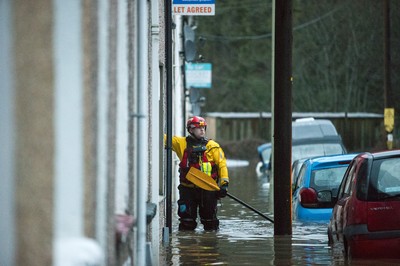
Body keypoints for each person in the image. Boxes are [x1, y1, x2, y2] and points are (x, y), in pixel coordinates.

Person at [168, 116, 229, 231]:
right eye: (198, 128)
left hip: (208, 190)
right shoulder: (180, 143)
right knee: (187, 222)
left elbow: (222, 165)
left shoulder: (212, 146)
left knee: (210, 223)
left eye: (203, 128)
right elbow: (161, 138)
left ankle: (210, 244)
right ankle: (187, 246)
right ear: (191, 130)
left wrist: (224, 184)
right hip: (187, 189)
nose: (202, 130)